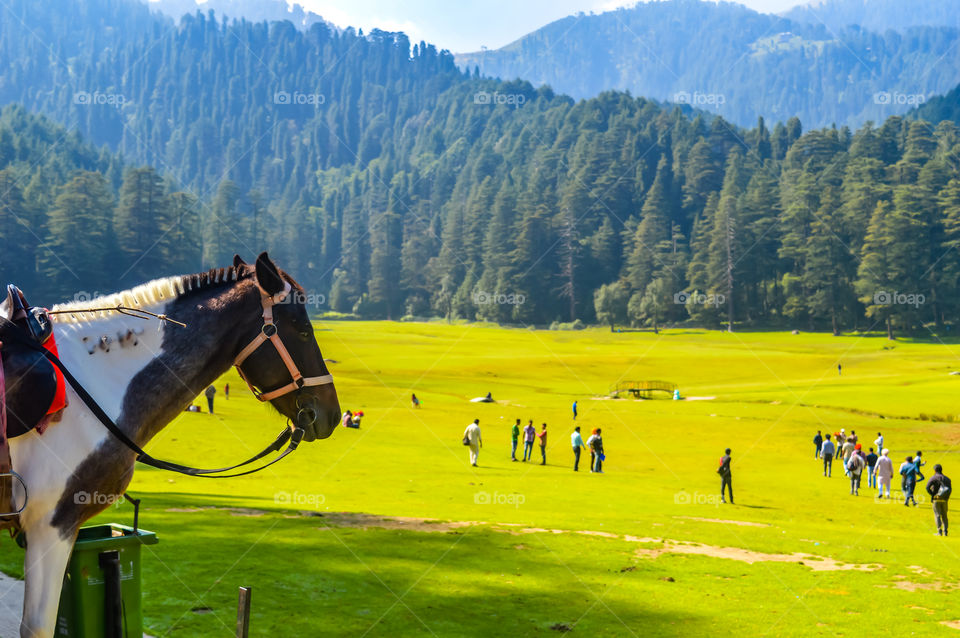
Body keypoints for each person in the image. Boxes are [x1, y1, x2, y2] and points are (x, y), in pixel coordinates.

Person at [926, 464, 952, 536]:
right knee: (944, 515)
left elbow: (927, 488)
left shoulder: (933, 478)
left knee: (937, 515)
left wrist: (933, 494)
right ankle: (945, 532)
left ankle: (939, 532)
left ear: (934, 470)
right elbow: (950, 490)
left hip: (936, 499)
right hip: (945, 499)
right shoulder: (947, 479)